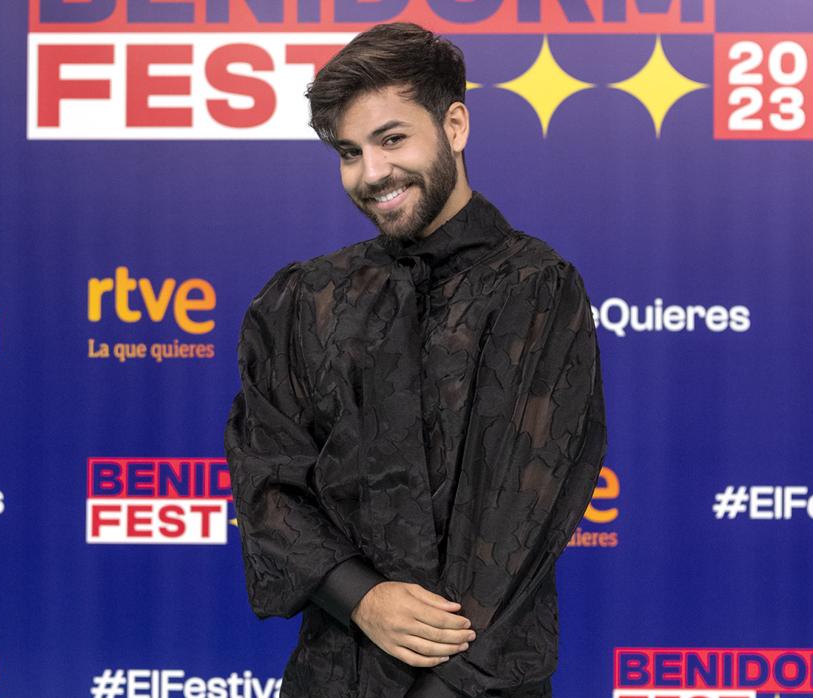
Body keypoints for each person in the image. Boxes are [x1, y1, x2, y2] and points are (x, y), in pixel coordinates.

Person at [225, 22, 607, 697]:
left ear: (454, 126)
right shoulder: (303, 299)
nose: (371, 174)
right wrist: (362, 598)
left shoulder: (536, 288)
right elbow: (267, 481)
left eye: (392, 138)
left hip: (482, 681)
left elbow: (520, 515)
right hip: (334, 672)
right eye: (349, 151)